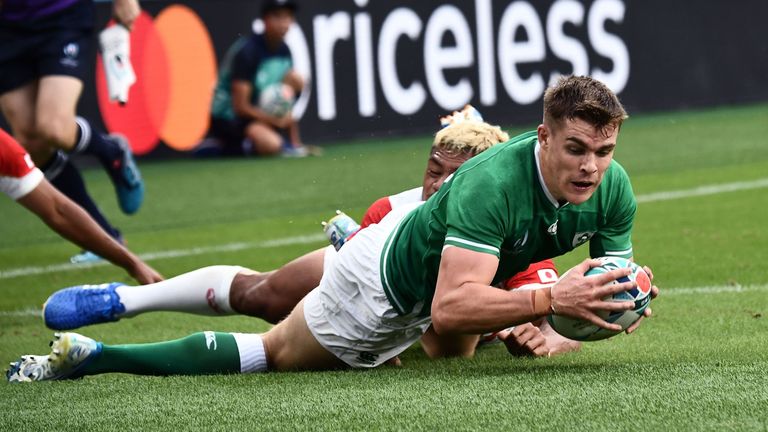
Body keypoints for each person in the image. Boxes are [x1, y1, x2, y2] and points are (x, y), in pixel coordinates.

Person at [7, 76, 659, 382]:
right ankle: (101, 354)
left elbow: (608, 282)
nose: (591, 166)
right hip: (383, 290)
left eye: (603, 151)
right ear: (542, 136)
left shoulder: (614, 187)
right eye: (576, 148)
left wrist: (625, 298)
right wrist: (552, 303)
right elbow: (453, 311)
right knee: (270, 351)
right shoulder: (493, 189)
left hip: (397, 259)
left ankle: (112, 326)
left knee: (270, 307)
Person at [42, 110, 574, 359]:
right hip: (380, 290)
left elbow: (556, 317)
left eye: (453, 178)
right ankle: (124, 299)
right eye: (432, 169)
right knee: (266, 294)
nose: (436, 186)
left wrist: (536, 333)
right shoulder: (394, 208)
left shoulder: (512, 227)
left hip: (416, 327)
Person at [0, 0, 146, 263]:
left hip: (62, 15)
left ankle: (111, 150)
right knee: (31, 144)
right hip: (8, 27)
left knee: (53, 128)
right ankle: (105, 237)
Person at [0, 128, 162, 284]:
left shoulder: (5, 151)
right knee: (34, 139)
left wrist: (133, 264)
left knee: (49, 130)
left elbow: (58, 210)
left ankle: (111, 151)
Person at [205, 0, 311, 157]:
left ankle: (266, 141)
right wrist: (274, 121)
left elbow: (285, 97)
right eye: (278, 17)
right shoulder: (248, 52)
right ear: (265, 20)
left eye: (288, 17)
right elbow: (240, 107)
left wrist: (295, 143)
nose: (284, 23)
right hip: (228, 118)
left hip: (258, 115)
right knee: (271, 145)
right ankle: (217, 147)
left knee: (296, 80)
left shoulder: (284, 50)